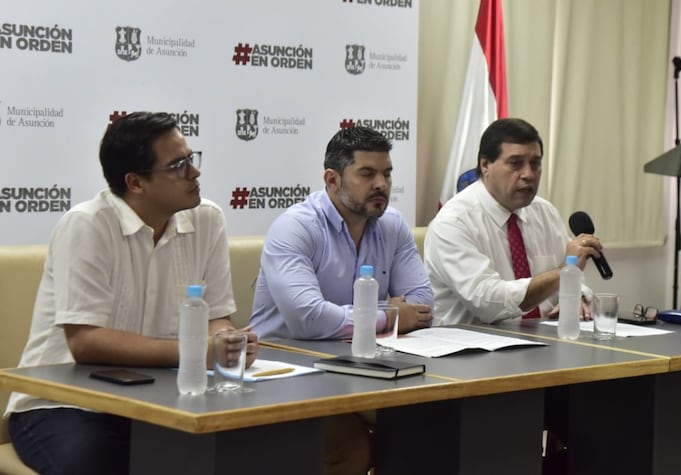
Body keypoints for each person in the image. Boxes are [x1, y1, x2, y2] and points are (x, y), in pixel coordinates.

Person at [4, 112, 258, 475]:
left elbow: (217, 315)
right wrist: (195, 352)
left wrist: (228, 345)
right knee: (101, 462)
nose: (195, 173)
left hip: (160, 399)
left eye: (192, 157)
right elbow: (86, 343)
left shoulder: (208, 219)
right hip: (64, 404)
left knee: (243, 449)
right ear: (135, 183)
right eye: (179, 165)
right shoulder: (88, 225)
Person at [250, 125, 434, 474]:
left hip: (363, 369)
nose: (381, 184)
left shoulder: (392, 225)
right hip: (289, 372)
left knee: (429, 426)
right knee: (346, 448)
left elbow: (423, 304)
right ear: (332, 179)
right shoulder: (296, 227)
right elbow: (308, 318)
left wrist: (380, 315)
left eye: (387, 173)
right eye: (367, 173)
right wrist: (389, 315)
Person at [425, 117, 600, 326]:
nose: (528, 174)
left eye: (535, 164)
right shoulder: (453, 222)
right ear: (485, 165)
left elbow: (569, 279)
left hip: (544, 342)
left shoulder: (544, 212)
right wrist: (563, 273)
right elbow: (488, 302)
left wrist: (576, 296)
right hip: (473, 348)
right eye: (515, 164)